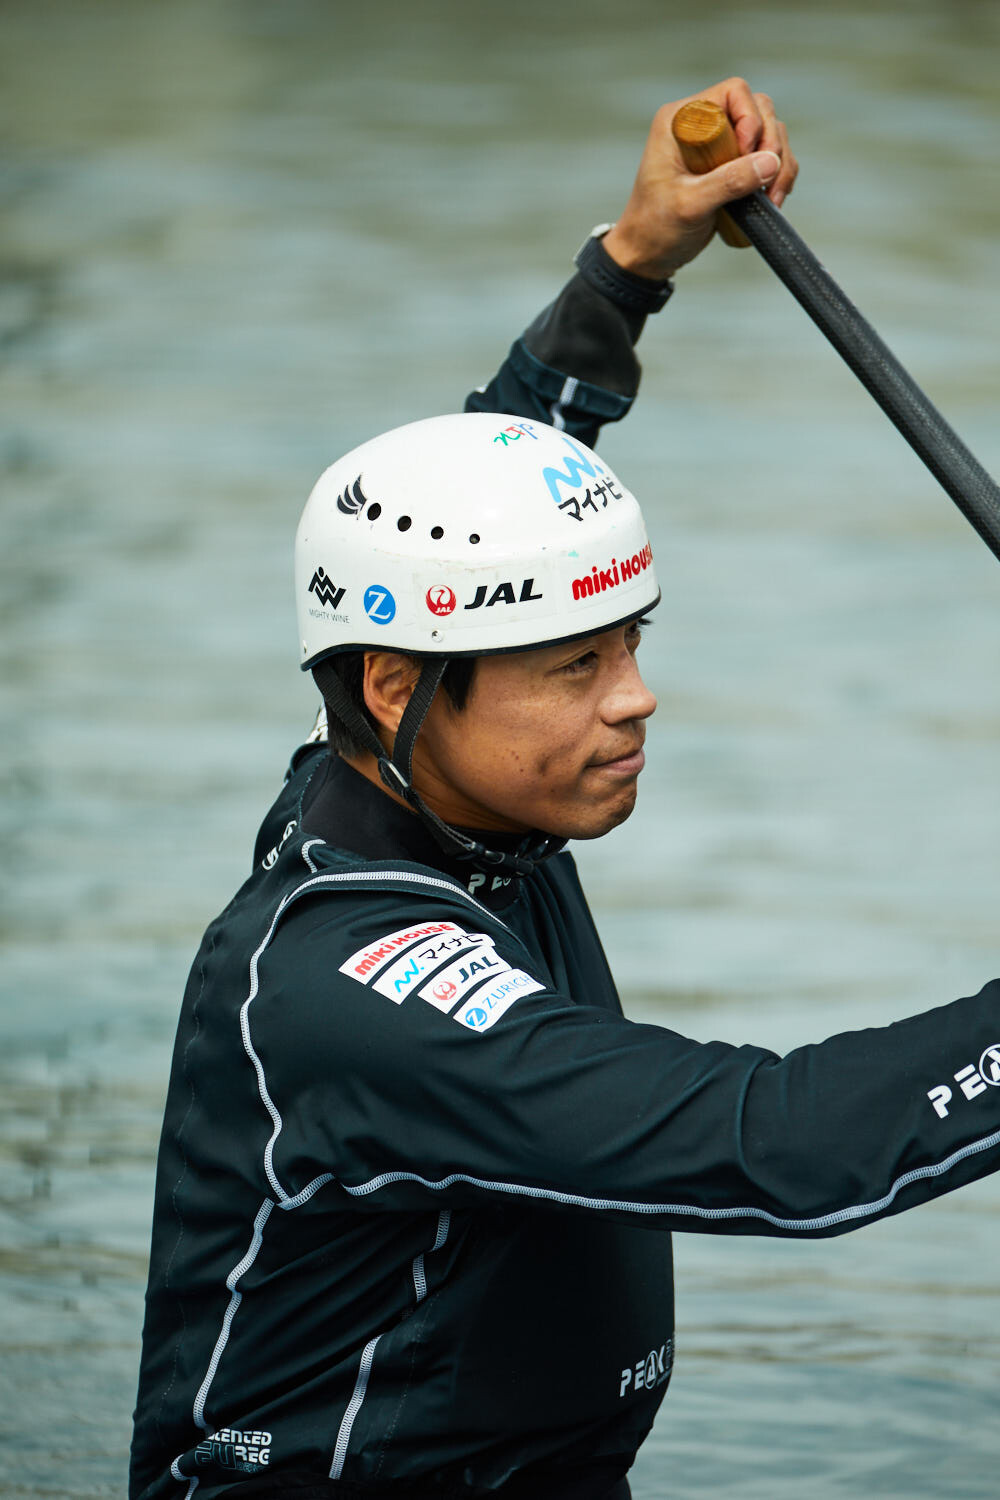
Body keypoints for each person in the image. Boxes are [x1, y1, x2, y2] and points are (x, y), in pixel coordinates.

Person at [129, 78, 998, 1500]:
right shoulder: (352, 988)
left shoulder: (443, 776)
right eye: (579, 665)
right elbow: (783, 1148)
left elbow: (503, 478)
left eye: (633, 644)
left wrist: (631, 268)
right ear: (404, 688)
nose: (635, 696)